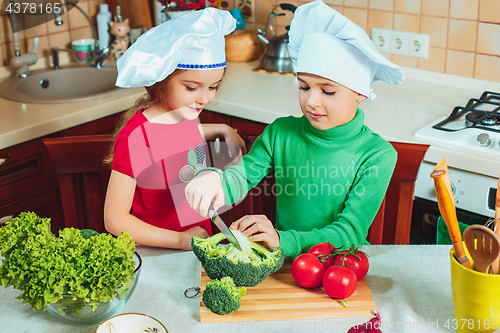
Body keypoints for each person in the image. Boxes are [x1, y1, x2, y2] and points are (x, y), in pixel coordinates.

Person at [185, 0, 405, 259]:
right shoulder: (281, 133)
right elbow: (242, 177)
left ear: (360, 93)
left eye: (328, 90)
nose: (312, 100)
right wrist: (216, 181)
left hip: (337, 267)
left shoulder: (378, 155)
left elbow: (349, 233)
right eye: (303, 86)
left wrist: (283, 239)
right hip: (283, 263)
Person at [103, 8, 246, 251]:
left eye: (213, 86)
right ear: (163, 80)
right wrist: (180, 240)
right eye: (192, 87)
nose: (204, 99)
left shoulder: (185, 112)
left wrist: (220, 129)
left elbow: (175, 140)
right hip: (161, 252)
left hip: (198, 245)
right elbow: (114, 220)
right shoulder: (136, 138)